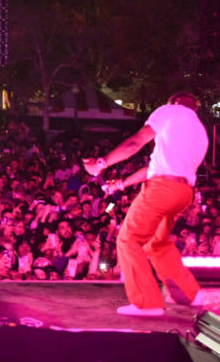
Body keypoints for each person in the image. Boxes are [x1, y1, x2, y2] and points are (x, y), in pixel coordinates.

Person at [83, 92, 208, 316]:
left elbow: (134, 144)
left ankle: (147, 303)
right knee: (156, 242)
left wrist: (102, 164)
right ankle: (190, 294)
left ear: (174, 102)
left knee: (128, 239)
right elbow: (156, 169)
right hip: (183, 192)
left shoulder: (169, 111)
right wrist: (121, 184)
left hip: (161, 190)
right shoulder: (200, 131)